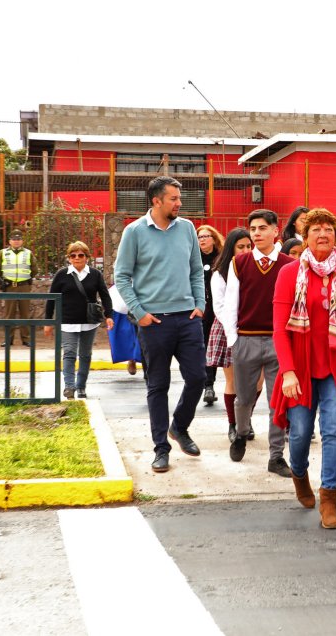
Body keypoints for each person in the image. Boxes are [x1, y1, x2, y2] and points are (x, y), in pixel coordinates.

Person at [271, 208, 336, 529]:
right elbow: (280, 328)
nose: (322, 234)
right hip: (299, 367)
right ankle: (299, 474)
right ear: (305, 237)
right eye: (316, 230)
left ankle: (329, 496)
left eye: (329, 229)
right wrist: (287, 372)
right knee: (298, 434)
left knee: (333, 431)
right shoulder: (288, 274)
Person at [116, 176, 207, 473]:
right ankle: (161, 449)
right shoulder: (134, 232)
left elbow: (196, 270)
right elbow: (121, 277)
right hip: (154, 322)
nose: (179, 203)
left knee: (197, 378)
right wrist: (139, 312)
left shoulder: (188, 229)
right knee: (158, 386)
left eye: (179, 198)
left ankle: (179, 426)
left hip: (188, 319)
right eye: (174, 199)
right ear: (156, 201)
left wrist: (200, 304)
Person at [221, 209, 295, 477]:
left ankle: (276, 456)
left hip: (280, 342)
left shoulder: (289, 264)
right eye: (252, 229)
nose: (256, 233)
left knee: (279, 402)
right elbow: (231, 303)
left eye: (262, 228)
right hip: (246, 340)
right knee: (244, 398)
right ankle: (240, 433)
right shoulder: (239, 262)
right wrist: (233, 339)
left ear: (276, 231)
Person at [44, 241, 114, 400]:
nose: (77, 258)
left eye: (80, 255)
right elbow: (51, 299)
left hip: (89, 322)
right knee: (69, 353)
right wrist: (48, 321)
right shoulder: (62, 275)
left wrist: (109, 315)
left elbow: (105, 296)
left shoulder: (95, 274)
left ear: (87, 257)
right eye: (73, 255)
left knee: (85, 355)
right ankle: (69, 386)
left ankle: (81, 386)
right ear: (69, 258)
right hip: (67, 322)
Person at [210, 228, 254, 442]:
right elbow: (219, 306)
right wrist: (234, 330)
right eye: (241, 247)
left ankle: (247, 420)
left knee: (257, 383)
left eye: (249, 246)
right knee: (233, 381)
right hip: (229, 329)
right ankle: (233, 424)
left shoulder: (257, 267)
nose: (246, 250)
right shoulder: (221, 272)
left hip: (255, 330)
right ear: (231, 248)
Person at [0, 229, 37, 347]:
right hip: (9, 287)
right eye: (14, 239)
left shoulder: (28, 253)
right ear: (9, 241)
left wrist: (26, 278)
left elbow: (34, 269)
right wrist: (5, 279)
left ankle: (26, 339)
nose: (16, 241)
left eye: (18, 239)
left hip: (24, 286)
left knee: (25, 314)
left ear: (22, 241)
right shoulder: (3, 253)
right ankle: (8, 339)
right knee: (9, 314)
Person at [197, 224, 224, 406]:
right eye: (199, 237)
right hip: (199, 309)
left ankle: (211, 385)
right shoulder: (193, 258)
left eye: (206, 236)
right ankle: (206, 384)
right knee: (203, 346)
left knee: (213, 347)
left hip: (218, 309)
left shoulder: (221, 259)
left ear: (214, 238)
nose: (203, 239)